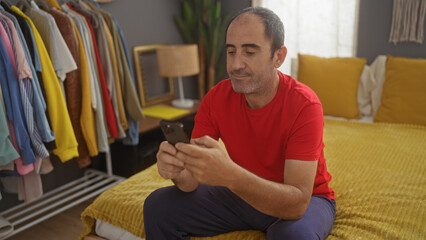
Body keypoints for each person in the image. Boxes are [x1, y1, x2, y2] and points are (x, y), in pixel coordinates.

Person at [143, 6, 336, 240]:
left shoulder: (305, 105)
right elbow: (190, 183)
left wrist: (230, 175)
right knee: (158, 206)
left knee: (293, 236)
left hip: (305, 201)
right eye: (231, 51)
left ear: (278, 57)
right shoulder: (216, 99)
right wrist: (178, 171)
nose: (235, 65)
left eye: (249, 52)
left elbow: (296, 205)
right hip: (242, 194)